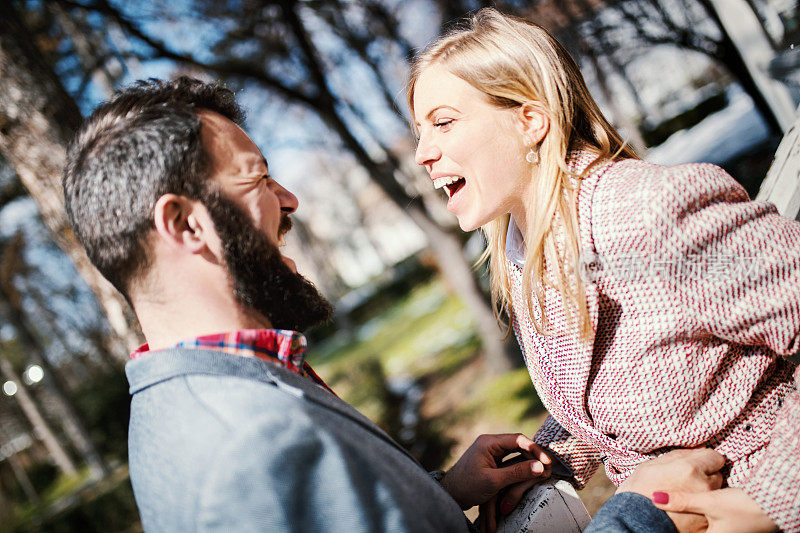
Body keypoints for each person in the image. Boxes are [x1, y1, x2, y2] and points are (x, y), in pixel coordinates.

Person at [63, 76, 722, 532]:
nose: (289, 200)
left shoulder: (203, 395)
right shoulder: (247, 448)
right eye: (258, 178)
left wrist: (442, 493)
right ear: (184, 224)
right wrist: (641, 513)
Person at [409, 8, 798, 533]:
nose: (421, 153)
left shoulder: (649, 212)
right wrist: (544, 464)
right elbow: (605, 402)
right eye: (418, 130)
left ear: (530, 119)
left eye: (444, 122)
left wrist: (774, 501)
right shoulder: (527, 254)